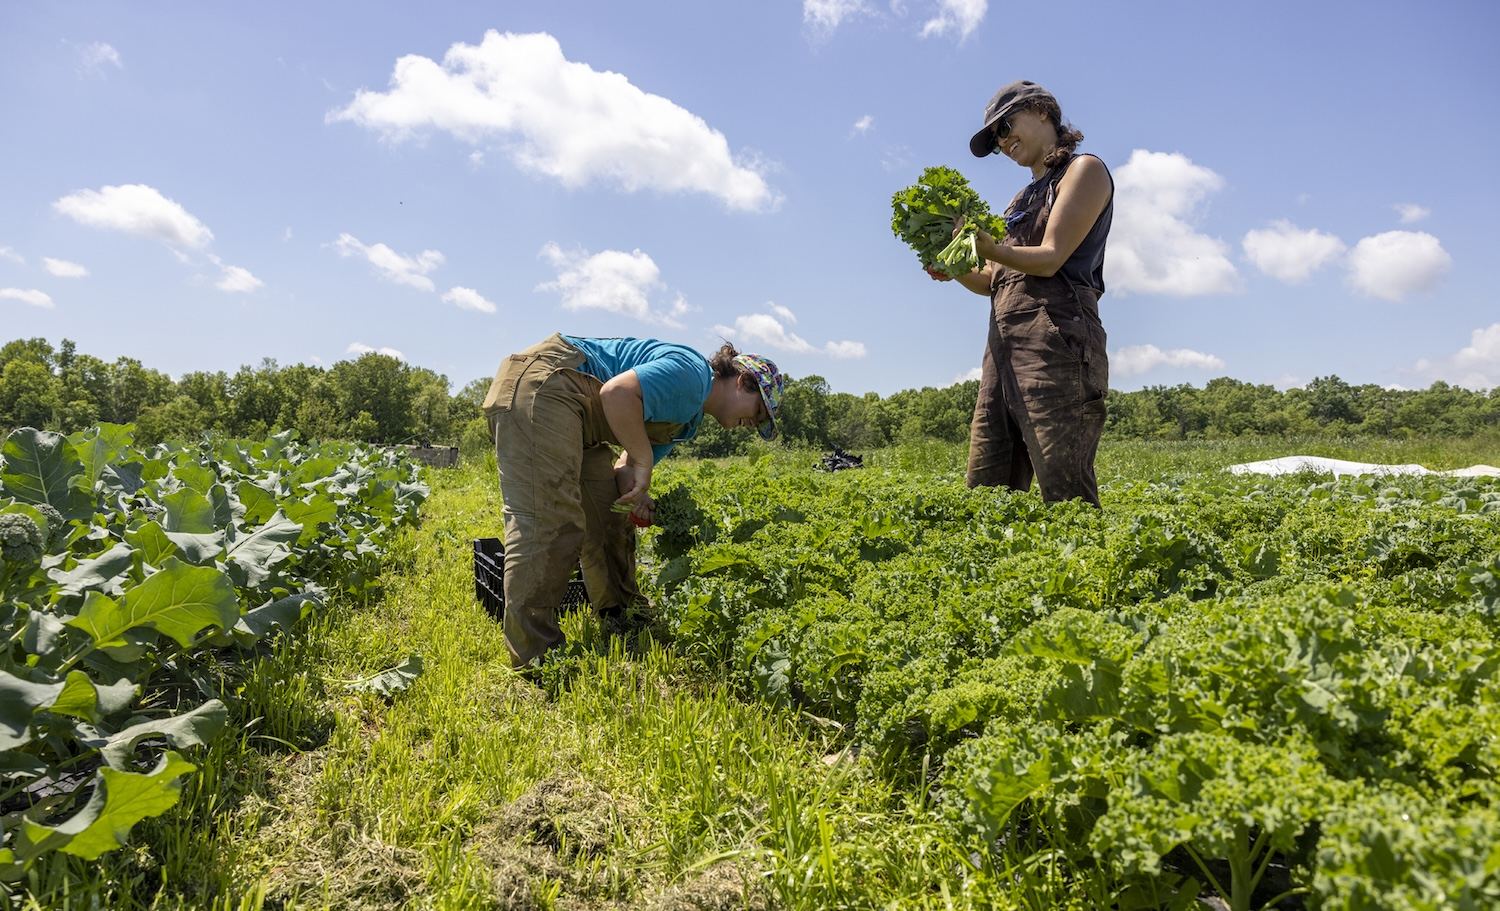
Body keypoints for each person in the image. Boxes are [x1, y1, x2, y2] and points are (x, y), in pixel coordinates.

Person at [481, 333, 783, 668]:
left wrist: (637, 492)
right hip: (548, 387)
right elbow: (617, 393)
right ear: (742, 382)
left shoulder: (687, 420)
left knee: (610, 512)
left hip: (579, 415)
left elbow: (625, 467)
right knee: (550, 521)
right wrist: (643, 462)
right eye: (757, 412)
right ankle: (536, 657)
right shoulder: (693, 376)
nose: (751, 424)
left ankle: (620, 615)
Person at [928, 80, 1113, 507]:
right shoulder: (1020, 199)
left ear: (1043, 111)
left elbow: (1050, 257)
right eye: (996, 139)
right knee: (988, 487)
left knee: (1066, 491)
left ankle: (1086, 568)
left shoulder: (1083, 171)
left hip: (1058, 343)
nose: (1004, 140)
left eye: (1007, 125)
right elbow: (993, 280)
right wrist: (954, 266)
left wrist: (989, 246)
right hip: (1002, 350)